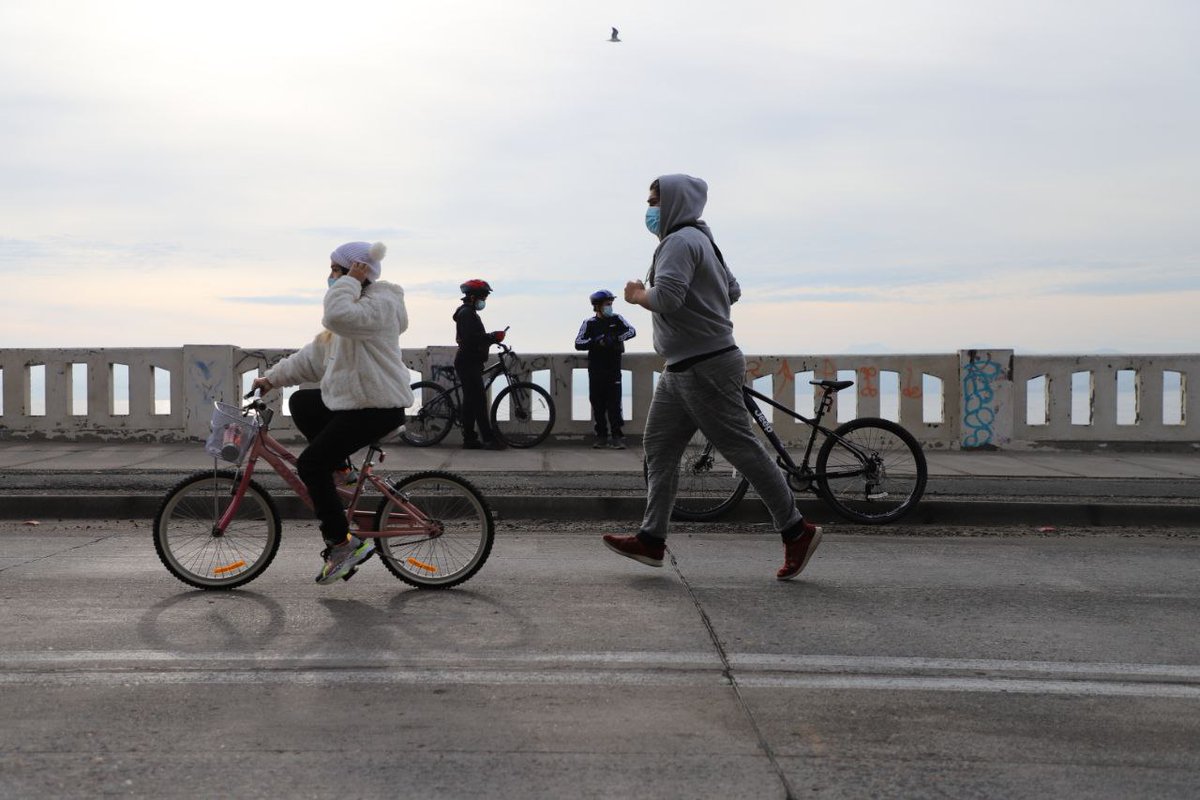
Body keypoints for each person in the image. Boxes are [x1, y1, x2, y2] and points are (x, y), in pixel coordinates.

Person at [601, 175, 822, 581]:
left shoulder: (679, 242)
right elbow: (733, 290)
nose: (649, 209)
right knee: (659, 448)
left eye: (654, 201)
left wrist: (635, 296)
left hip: (704, 363)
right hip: (683, 365)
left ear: (675, 203)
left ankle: (796, 530)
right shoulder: (703, 240)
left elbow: (667, 298)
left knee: (742, 450)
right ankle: (651, 539)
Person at [251, 241, 412, 584]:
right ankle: (342, 470)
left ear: (358, 272)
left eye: (335, 270)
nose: (330, 277)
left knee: (310, 464)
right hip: (358, 402)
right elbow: (312, 358)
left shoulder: (380, 304)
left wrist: (349, 281)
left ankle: (342, 544)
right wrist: (271, 379)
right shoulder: (352, 311)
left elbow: (336, 315)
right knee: (302, 402)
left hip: (378, 406)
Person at [575, 289, 637, 448]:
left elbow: (632, 331)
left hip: (613, 368)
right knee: (597, 404)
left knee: (614, 404)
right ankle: (601, 436)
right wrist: (596, 341)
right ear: (597, 306)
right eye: (607, 304)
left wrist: (614, 338)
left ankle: (617, 436)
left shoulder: (617, 319)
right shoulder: (589, 323)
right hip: (596, 369)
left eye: (611, 304)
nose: (610, 307)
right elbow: (578, 343)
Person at [454, 279, 507, 450]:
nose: (484, 299)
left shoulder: (469, 313)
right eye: (483, 296)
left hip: (471, 362)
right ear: (472, 296)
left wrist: (492, 339)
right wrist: (492, 337)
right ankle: (489, 439)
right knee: (479, 402)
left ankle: (469, 439)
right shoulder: (466, 314)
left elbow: (475, 338)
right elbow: (472, 339)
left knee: (471, 402)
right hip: (468, 362)